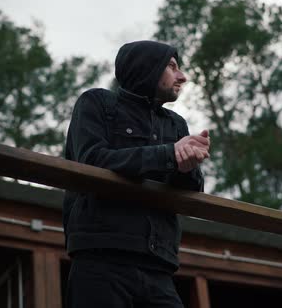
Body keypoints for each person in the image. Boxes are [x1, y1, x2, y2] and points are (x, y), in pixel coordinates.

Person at [63, 40, 209, 307]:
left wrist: (186, 167)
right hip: (101, 258)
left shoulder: (176, 123)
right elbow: (92, 160)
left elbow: (190, 191)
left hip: (160, 266)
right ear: (148, 68)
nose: (182, 76)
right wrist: (168, 154)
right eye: (173, 67)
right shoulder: (97, 102)